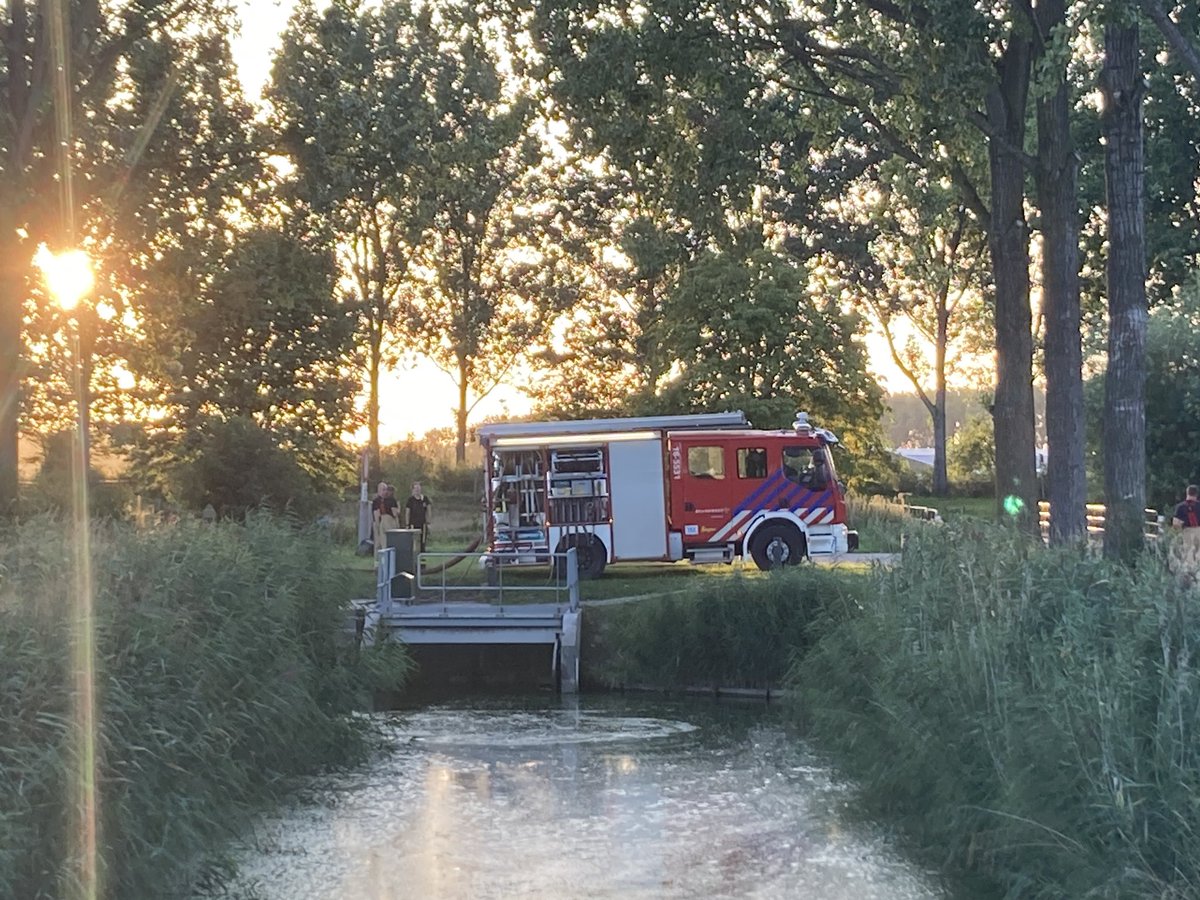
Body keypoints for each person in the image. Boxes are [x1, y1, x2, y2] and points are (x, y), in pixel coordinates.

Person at [405, 480, 432, 552]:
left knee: (423, 542)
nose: (417, 490)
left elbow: (429, 510)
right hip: (413, 525)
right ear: (413, 489)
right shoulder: (410, 500)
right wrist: (407, 524)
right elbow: (407, 512)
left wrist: (428, 522)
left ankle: (422, 561)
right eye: (415, 488)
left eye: (418, 488)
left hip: (423, 524)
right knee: (414, 543)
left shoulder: (425, 499)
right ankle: (414, 561)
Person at [372, 481, 399, 552]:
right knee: (378, 543)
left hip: (389, 521)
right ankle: (378, 560)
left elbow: (395, 513)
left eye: (386, 489)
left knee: (388, 542)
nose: (385, 492)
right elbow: (376, 513)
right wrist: (377, 525)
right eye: (383, 490)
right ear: (379, 490)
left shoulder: (391, 500)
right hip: (379, 521)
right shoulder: (376, 501)